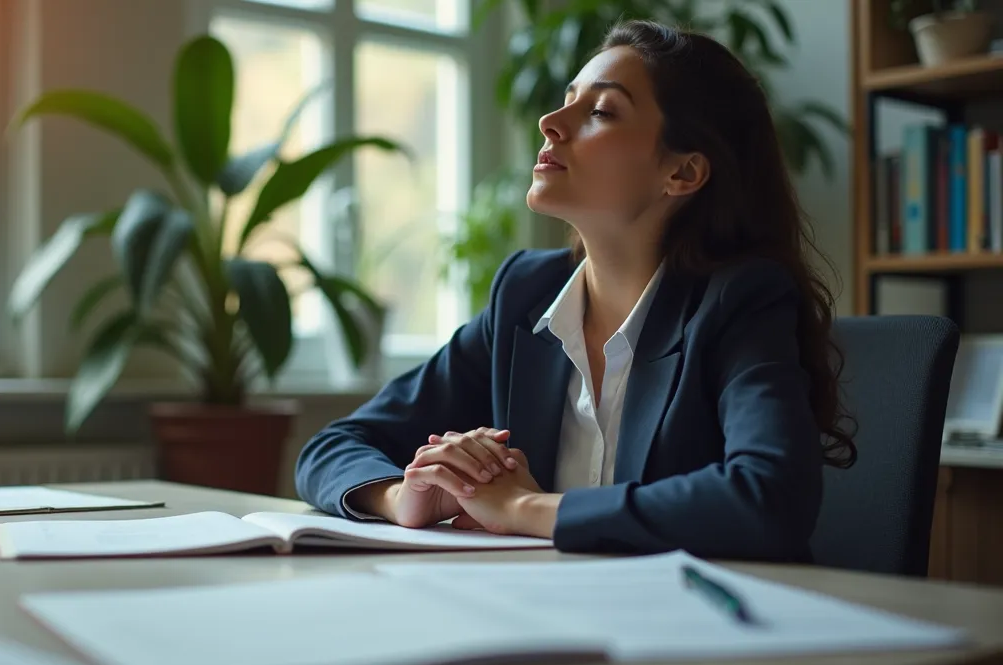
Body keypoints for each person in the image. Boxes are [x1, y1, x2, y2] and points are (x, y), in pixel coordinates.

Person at [293, 19, 856, 563]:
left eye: (602, 111)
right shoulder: (525, 294)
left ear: (681, 173)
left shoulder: (738, 301)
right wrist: (406, 497)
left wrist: (524, 508)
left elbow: (769, 500)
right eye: (567, 99)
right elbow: (332, 447)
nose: (551, 121)